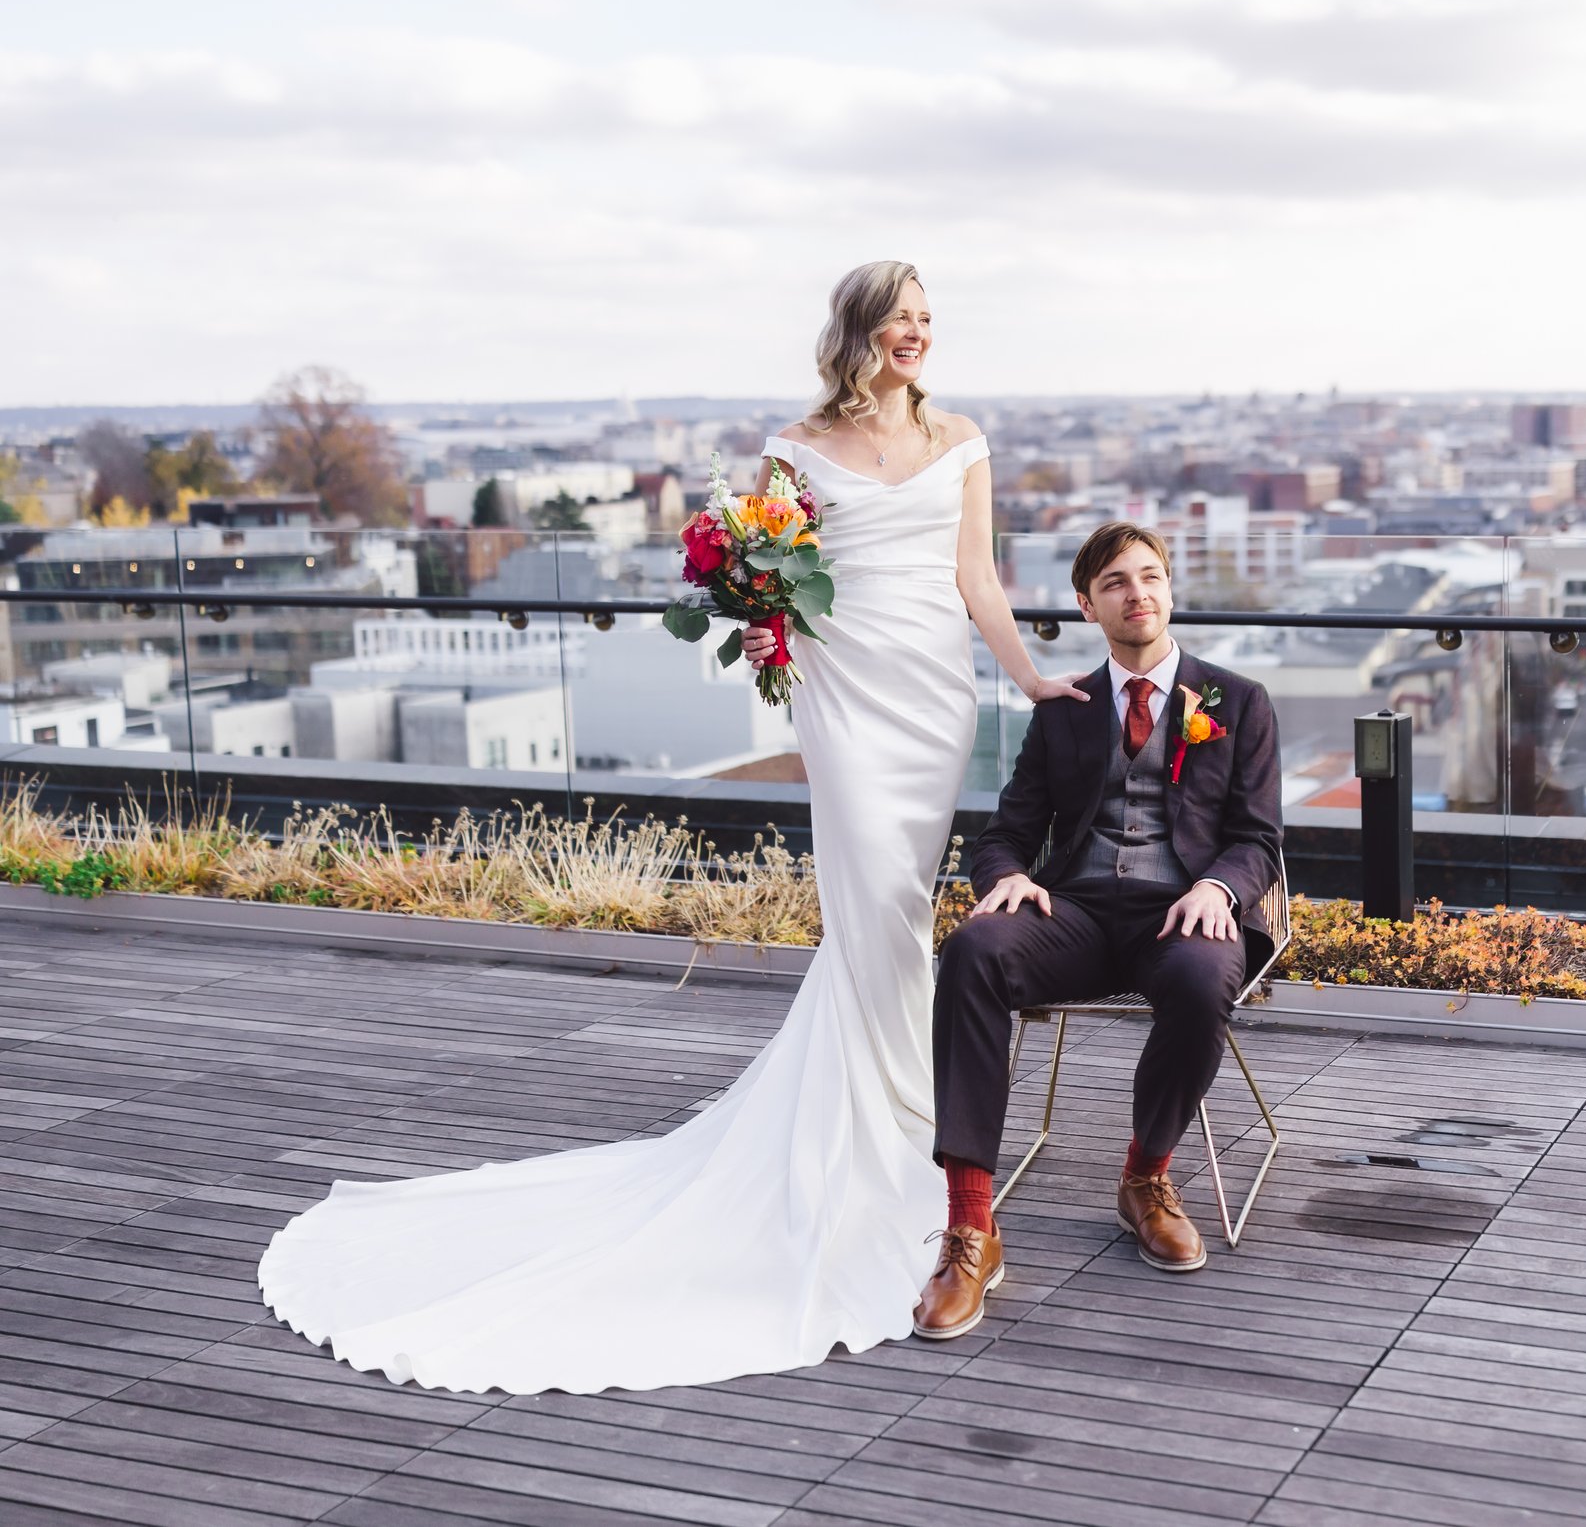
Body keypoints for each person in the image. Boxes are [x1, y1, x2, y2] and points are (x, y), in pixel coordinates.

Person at [256, 260, 1087, 1394]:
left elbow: (975, 578)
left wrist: (1029, 679)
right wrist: (761, 627)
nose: (918, 336)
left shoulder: (965, 438)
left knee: (903, 894)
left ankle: (917, 1113)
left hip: (933, 695)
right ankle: (896, 1128)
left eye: (929, 320)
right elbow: (773, 576)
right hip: (846, 695)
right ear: (857, 331)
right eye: (900, 320)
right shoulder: (792, 448)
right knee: (869, 898)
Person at [912, 520, 1283, 1341]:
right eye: (1115, 582)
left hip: (1183, 911)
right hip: (1073, 912)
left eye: (1149, 576)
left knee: (1198, 979)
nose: (1137, 592)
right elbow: (1007, 829)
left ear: (1171, 590)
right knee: (972, 949)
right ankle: (972, 1225)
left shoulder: (1240, 701)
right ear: (1088, 604)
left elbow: (1259, 836)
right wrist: (1006, 875)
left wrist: (1221, 887)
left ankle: (1145, 1176)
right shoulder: (1064, 711)